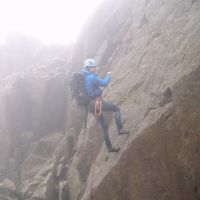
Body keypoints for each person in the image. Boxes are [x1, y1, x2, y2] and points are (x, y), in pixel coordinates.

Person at [81, 59, 129, 153]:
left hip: (90, 105)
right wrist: (108, 75)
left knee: (104, 126)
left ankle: (109, 147)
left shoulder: (85, 77)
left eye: (95, 66)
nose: (95, 68)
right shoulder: (91, 77)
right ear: (88, 68)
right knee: (116, 109)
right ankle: (120, 129)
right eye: (93, 67)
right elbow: (104, 83)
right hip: (96, 102)